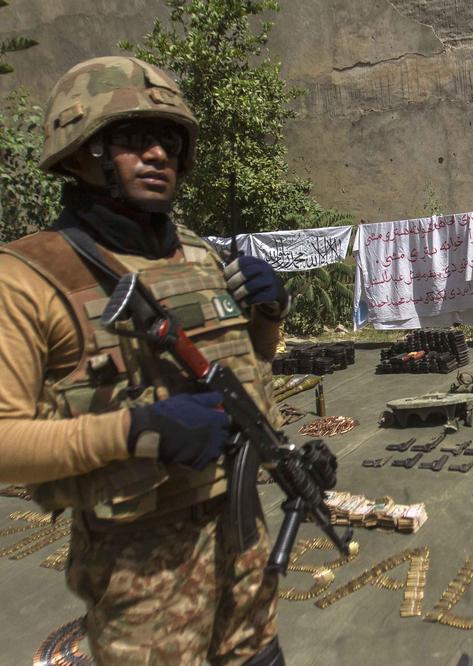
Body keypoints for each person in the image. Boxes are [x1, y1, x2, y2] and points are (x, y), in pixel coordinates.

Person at [0, 56, 291, 665]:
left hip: (243, 540)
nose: (157, 154)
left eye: (169, 141)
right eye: (132, 138)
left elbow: (250, 362)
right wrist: (136, 431)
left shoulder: (199, 255)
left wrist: (269, 315)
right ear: (80, 152)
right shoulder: (27, 278)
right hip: (144, 577)